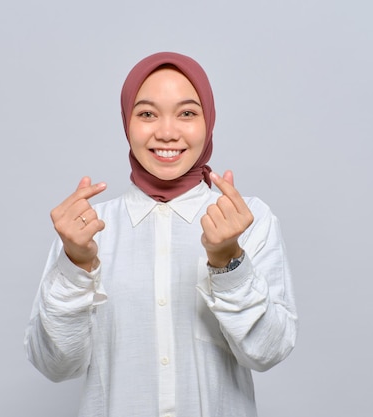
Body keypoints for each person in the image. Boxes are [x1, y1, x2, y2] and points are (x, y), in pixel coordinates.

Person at [24, 51, 298, 417]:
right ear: (127, 122)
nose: (167, 132)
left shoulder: (249, 220)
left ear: (209, 121)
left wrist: (229, 262)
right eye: (147, 113)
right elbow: (56, 366)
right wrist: (76, 264)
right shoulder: (87, 230)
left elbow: (269, 352)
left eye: (187, 113)